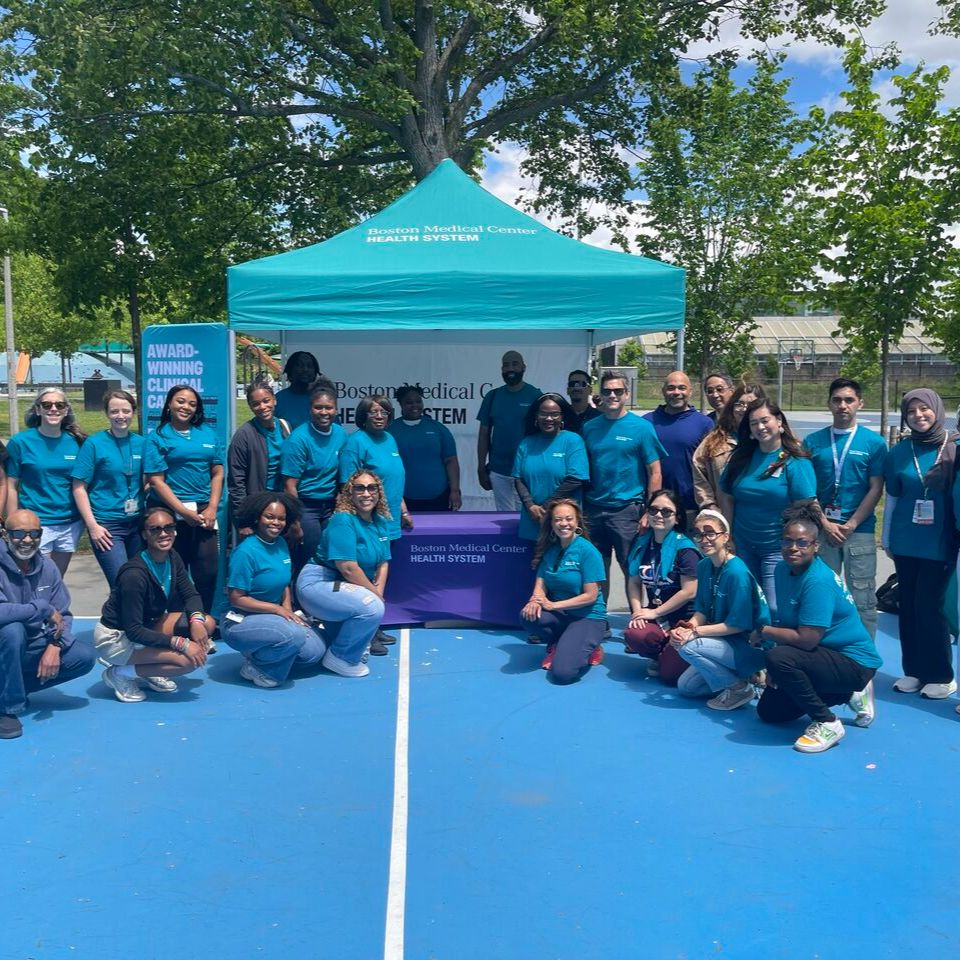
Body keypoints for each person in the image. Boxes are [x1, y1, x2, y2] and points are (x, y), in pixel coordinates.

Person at [755, 505, 882, 753]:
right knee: (770, 712)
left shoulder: (818, 581)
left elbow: (806, 640)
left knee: (779, 657)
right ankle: (848, 694)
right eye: (788, 541)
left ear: (816, 547)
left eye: (802, 543)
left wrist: (764, 632)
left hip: (853, 661)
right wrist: (775, 670)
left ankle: (827, 722)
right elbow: (788, 621)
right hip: (823, 654)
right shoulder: (783, 570)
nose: (793, 548)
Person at [95, 506, 216, 702]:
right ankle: (120, 673)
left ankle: (148, 666)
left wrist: (196, 621)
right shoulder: (134, 575)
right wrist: (182, 644)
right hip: (118, 638)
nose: (164, 533)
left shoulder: (172, 556)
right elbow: (133, 630)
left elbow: (191, 594)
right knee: (188, 662)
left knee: (207, 622)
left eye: (169, 527)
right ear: (144, 535)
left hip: (147, 625)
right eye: (155, 529)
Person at [883, 389, 957, 699]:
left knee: (930, 606)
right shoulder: (900, 451)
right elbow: (892, 498)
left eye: (924, 409)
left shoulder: (953, 448)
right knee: (909, 607)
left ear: (937, 410)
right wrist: (887, 537)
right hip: (905, 540)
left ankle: (940, 673)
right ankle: (913, 670)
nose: (918, 416)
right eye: (911, 411)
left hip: (938, 541)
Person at [0, 509, 95, 740]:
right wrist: (40, 608)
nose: (27, 540)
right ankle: (7, 708)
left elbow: (64, 614)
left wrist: (55, 645)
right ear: (5, 534)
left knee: (83, 658)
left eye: (34, 533)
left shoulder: (48, 567)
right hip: (6, 643)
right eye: (19, 533)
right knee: (13, 630)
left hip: (34, 644)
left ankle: (12, 689)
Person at [803, 377, 886, 637]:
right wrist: (825, 524)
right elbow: (807, 489)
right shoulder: (813, 442)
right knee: (823, 593)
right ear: (829, 403)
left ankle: (864, 659)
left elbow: (875, 488)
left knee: (862, 596)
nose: (843, 405)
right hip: (821, 529)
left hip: (858, 530)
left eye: (849, 400)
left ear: (860, 403)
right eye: (837, 400)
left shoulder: (874, 443)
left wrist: (850, 524)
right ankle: (828, 652)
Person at [719, 398, 815, 620]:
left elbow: (805, 504)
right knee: (745, 604)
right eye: (754, 423)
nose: (760, 427)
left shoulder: (796, 461)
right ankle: (751, 649)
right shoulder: (741, 458)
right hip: (742, 545)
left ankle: (777, 651)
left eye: (765, 420)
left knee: (773, 607)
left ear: (779, 421)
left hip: (776, 548)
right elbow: (727, 496)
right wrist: (728, 535)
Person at [223, 493, 327, 688]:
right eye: (269, 517)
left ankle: (262, 651)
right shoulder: (245, 552)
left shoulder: (280, 543)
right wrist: (278, 611)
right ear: (257, 518)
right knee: (293, 636)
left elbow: (284, 583)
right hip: (240, 619)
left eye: (281, 518)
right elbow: (237, 599)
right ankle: (260, 668)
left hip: (274, 616)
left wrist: (288, 612)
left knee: (314, 652)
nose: (276, 522)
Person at [296, 471, 392, 677]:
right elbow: (348, 567)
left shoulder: (380, 522)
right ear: (350, 493)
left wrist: (378, 592)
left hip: (346, 585)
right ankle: (340, 658)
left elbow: (383, 562)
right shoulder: (343, 520)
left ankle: (328, 639)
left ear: (378, 492)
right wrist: (375, 597)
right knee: (371, 607)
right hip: (319, 581)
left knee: (373, 607)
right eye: (359, 488)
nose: (366, 493)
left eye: (371, 488)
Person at [670, 509, 768, 709]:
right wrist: (687, 627)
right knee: (686, 688)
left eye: (710, 533)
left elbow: (737, 626)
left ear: (726, 537)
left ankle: (740, 688)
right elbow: (702, 612)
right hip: (722, 641)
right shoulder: (705, 566)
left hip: (748, 645)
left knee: (688, 646)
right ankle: (747, 679)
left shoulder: (737, 572)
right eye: (699, 533)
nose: (704, 539)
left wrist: (694, 632)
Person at [581, 371, 664, 599]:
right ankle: (599, 620)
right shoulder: (590, 428)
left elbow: (655, 471)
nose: (612, 395)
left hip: (627, 510)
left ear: (626, 394)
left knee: (631, 568)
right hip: (593, 509)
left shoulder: (642, 428)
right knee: (597, 570)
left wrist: (650, 510)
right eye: (607, 391)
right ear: (601, 395)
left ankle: (636, 618)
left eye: (618, 391)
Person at [143, 384, 224, 612]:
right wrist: (183, 512)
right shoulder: (157, 437)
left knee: (208, 571)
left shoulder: (208, 434)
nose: (186, 407)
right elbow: (157, 481)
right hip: (170, 512)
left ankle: (203, 622)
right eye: (180, 401)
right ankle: (178, 625)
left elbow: (218, 473)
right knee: (176, 572)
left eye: (192, 403)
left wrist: (211, 507)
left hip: (204, 511)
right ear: (169, 404)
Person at [339, 397, 408, 653]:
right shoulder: (356, 443)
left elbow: (393, 478)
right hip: (365, 521)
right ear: (363, 416)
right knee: (362, 577)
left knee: (378, 572)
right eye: (373, 412)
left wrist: (402, 507)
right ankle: (363, 634)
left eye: (384, 411)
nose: (379, 415)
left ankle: (373, 626)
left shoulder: (390, 439)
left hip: (387, 520)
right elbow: (348, 486)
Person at [520, 499, 607, 684]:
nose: (563, 524)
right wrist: (535, 600)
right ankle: (559, 643)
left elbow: (591, 596)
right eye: (558, 519)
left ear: (577, 522)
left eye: (569, 519)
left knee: (562, 674)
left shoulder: (588, 551)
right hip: (562, 615)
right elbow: (540, 585)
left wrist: (553, 605)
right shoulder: (551, 550)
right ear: (551, 524)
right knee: (528, 615)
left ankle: (590, 647)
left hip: (588, 616)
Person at [5, 387, 86, 574]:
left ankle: (53, 605)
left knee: (56, 579)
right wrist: (13, 523)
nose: (53, 409)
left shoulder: (77, 442)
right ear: (38, 409)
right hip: (36, 524)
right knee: (35, 577)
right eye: (47, 405)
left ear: (66, 410)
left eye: (59, 405)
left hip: (70, 523)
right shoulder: (21, 442)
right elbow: (11, 485)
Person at [622, 489, 699, 684]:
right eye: (654, 510)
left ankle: (677, 655)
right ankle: (662, 654)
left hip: (686, 619)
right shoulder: (641, 544)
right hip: (659, 615)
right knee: (635, 632)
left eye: (666, 512)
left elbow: (690, 591)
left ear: (678, 518)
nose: (658, 515)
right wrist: (638, 611)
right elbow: (633, 581)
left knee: (670, 678)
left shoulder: (685, 549)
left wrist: (655, 613)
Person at [71, 389, 146, 587]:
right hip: (107, 527)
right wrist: (92, 526)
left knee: (140, 582)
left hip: (137, 525)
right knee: (122, 582)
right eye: (114, 411)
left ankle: (134, 619)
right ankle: (118, 619)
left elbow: (150, 479)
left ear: (133, 412)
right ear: (107, 413)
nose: (120, 416)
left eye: (126, 411)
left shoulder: (142, 443)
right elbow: (79, 487)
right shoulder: (94, 444)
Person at [281, 383, 347, 571]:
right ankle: (298, 598)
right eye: (318, 407)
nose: (324, 412)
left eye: (329, 407)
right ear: (310, 409)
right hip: (306, 507)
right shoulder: (298, 439)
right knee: (308, 559)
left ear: (336, 410)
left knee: (332, 556)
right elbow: (289, 485)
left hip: (331, 506)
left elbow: (343, 473)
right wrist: (294, 521)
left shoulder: (341, 434)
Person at [512, 393, 589, 541]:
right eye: (543, 414)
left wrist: (547, 507)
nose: (548, 419)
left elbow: (575, 479)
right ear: (536, 416)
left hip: (564, 522)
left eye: (554, 414)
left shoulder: (573, 441)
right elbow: (518, 478)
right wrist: (530, 506)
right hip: (533, 519)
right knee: (536, 563)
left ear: (562, 417)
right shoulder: (526, 443)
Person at [643, 371, 714, 522]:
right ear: (663, 391)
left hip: (690, 507)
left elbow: (710, 467)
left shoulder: (704, 424)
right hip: (654, 509)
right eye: (671, 388)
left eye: (682, 388)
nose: (676, 392)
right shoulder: (646, 422)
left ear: (690, 391)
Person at [692, 382, 766, 523]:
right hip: (725, 518)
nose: (744, 409)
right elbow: (698, 471)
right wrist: (709, 504)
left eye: (751, 404)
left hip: (762, 519)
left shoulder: (771, 439)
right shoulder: (715, 440)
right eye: (739, 404)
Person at [477, 350, 542, 511]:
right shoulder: (493, 396)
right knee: (504, 517)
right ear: (501, 370)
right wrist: (480, 468)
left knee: (526, 517)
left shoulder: (536, 396)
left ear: (523, 367)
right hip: (499, 471)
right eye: (506, 365)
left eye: (514, 364)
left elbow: (543, 435)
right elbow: (484, 434)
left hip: (526, 470)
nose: (510, 369)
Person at [228, 382, 293, 532]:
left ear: (274, 400)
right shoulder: (243, 435)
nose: (262, 407)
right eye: (256, 404)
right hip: (258, 509)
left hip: (282, 505)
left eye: (266, 401)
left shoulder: (285, 426)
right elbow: (236, 481)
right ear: (250, 407)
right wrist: (243, 521)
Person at [389, 384, 461, 511]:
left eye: (418, 401)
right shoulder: (391, 430)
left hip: (439, 498)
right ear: (400, 404)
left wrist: (455, 491)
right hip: (403, 500)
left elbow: (451, 461)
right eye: (409, 402)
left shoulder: (438, 428)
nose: (414, 406)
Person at [274, 351, 325, 428]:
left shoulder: (323, 399)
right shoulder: (277, 400)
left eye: (309, 366)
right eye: (299, 365)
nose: (305, 369)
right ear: (290, 370)